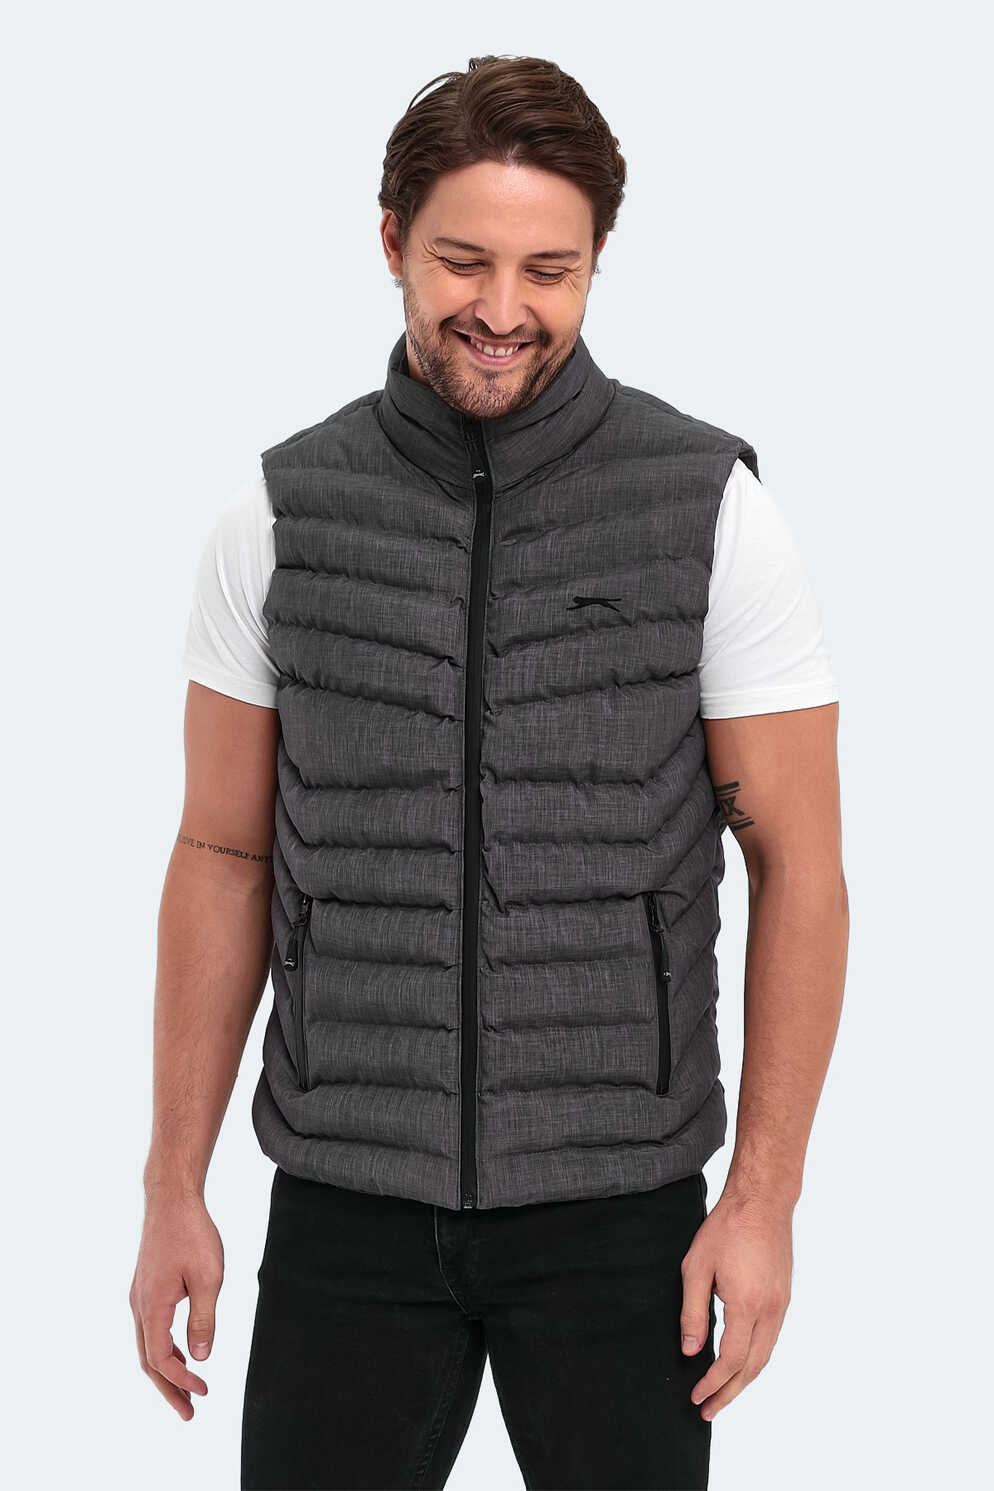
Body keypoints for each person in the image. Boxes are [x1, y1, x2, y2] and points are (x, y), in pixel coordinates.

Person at [130, 53, 849, 1491]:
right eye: (462, 261)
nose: (503, 310)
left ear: (597, 263)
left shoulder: (710, 510)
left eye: (550, 271)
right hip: (346, 1191)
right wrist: (172, 1188)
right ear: (391, 240)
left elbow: (800, 868)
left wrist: (762, 1199)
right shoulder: (280, 514)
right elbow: (220, 853)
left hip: (620, 1204)